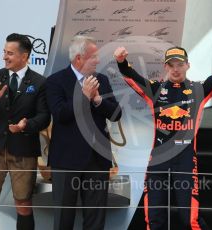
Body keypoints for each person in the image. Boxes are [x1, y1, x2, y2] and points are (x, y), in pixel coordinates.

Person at [114, 40, 212, 230]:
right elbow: (131, 76)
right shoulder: (155, 89)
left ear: (187, 65)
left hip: (184, 159)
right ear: (165, 66)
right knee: (154, 220)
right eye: (171, 65)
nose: (176, 69)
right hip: (158, 160)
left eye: (180, 64)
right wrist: (121, 62)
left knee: (190, 219)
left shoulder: (198, 89)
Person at [0, 33, 51, 230]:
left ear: (24, 56)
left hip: (23, 151)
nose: (4, 57)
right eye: (4, 52)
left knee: (23, 205)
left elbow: (44, 117)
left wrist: (26, 125)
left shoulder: (40, 82)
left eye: (10, 53)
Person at [46, 35, 122, 230]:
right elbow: (61, 114)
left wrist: (98, 100)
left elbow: (116, 114)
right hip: (65, 161)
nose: (98, 61)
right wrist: (83, 97)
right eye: (94, 56)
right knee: (63, 219)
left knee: (95, 220)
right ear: (79, 58)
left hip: (97, 160)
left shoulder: (102, 80)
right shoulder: (56, 81)